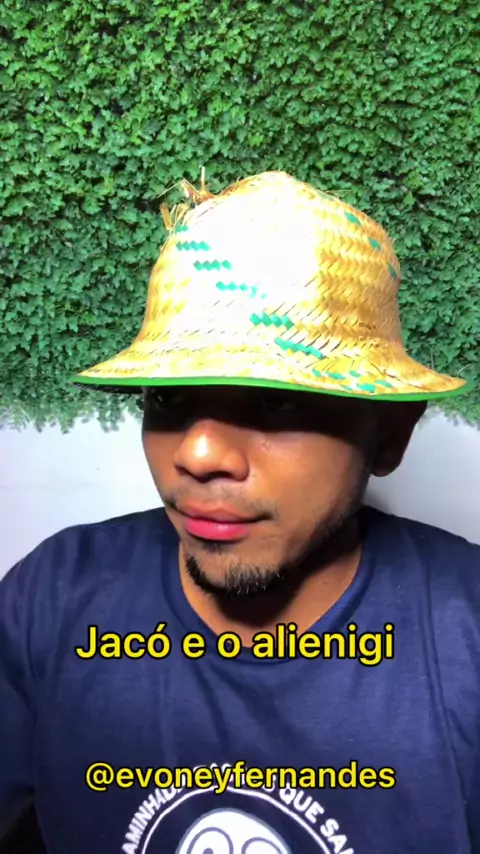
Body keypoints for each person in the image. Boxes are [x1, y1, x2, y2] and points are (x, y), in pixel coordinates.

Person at [0, 170, 478, 854]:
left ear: (389, 436)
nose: (197, 455)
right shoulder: (52, 596)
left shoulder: (465, 635)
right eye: (169, 399)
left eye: (275, 401)